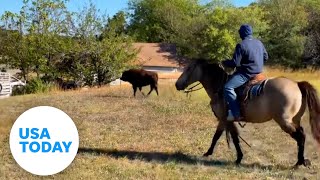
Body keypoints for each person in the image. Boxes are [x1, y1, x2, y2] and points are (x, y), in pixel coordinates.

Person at [222, 24, 268, 121]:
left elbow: (235, 63)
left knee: (228, 87)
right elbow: (266, 57)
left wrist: (224, 62)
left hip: (246, 74)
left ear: (242, 34)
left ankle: (236, 114)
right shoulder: (259, 43)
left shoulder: (241, 45)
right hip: (259, 73)